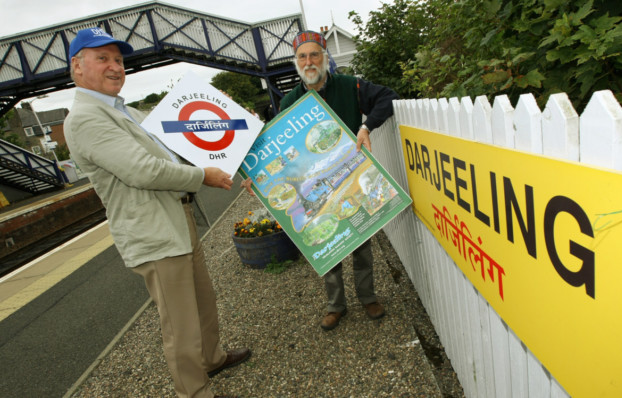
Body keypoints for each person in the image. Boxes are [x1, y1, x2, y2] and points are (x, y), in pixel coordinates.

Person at [64, 28, 250, 398]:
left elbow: (175, 139)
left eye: (118, 59)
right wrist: (203, 176)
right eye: (103, 58)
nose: (115, 67)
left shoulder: (122, 110)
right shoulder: (86, 118)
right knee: (180, 324)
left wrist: (220, 114)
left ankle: (212, 358)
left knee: (202, 300)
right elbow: (143, 170)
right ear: (77, 66)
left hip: (176, 221)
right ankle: (194, 391)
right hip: (155, 233)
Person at [280, 30, 399, 331]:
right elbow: (282, 152)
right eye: (302, 57)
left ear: (325, 58)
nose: (309, 62)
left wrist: (366, 126)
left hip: (351, 178)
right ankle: (335, 305)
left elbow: (388, 97)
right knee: (326, 242)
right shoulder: (289, 102)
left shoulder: (350, 86)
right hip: (314, 187)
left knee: (360, 237)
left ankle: (368, 296)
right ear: (296, 62)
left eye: (314, 55)